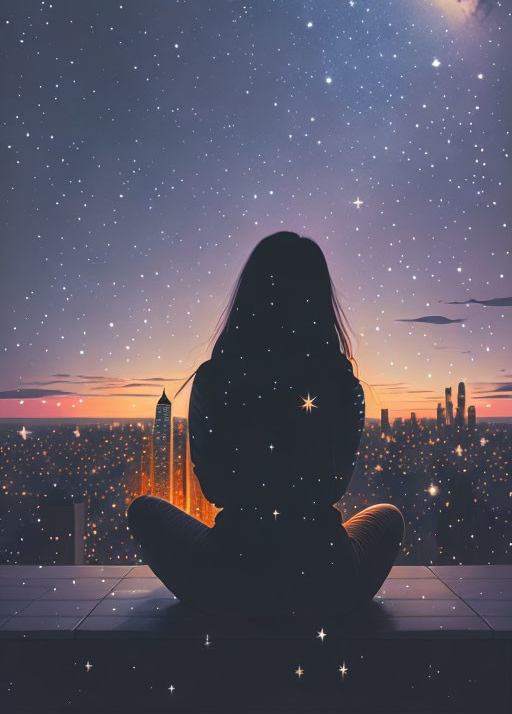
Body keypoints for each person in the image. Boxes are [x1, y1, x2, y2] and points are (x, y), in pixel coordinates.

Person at [128, 232, 404, 616]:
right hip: (329, 580)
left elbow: (214, 489)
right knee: (388, 516)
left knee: (144, 509)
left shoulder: (215, 380)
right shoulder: (342, 386)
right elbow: (334, 486)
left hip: (228, 579)